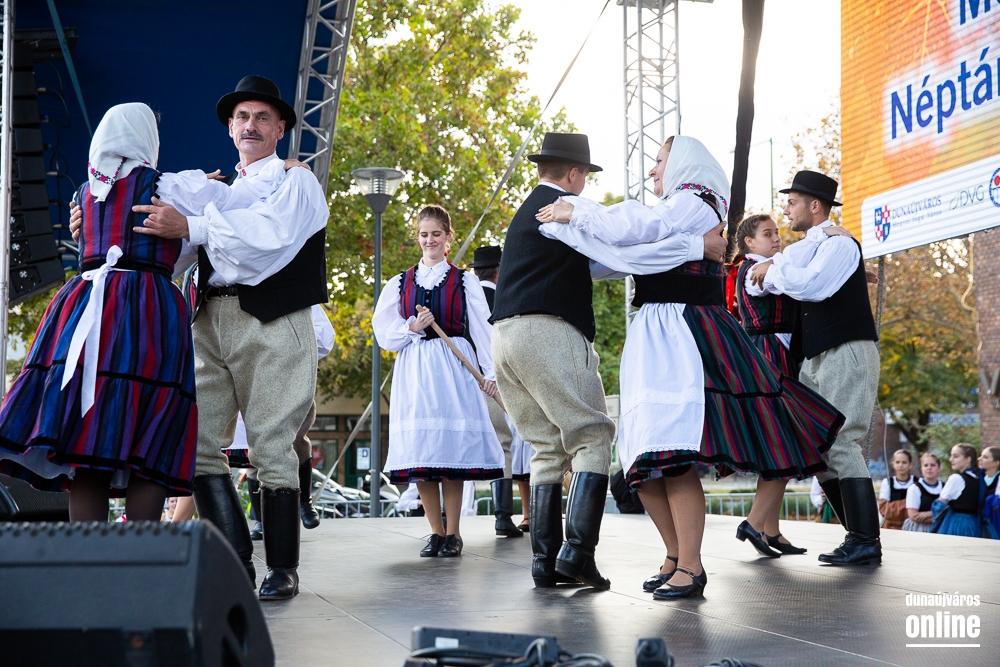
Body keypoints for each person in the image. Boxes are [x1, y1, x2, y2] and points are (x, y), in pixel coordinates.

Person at [536, 136, 842, 600]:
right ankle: (675, 555)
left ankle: (691, 566)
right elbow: (632, 253)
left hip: (681, 331)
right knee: (641, 461)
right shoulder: (679, 216)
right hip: (654, 330)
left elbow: (639, 229)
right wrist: (576, 232)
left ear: (684, 163)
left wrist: (578, 213)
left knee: (671, 455)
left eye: (660, 160)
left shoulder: (695, 200)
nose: (653, 170)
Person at [0, 102, 294, 522]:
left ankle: (86, 553)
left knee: (89, 439)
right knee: (152, 428)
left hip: (85, 306)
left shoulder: (85, 194)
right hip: (145, 309)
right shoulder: (171, 186)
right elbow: (240, 201)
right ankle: (143, 551)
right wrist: (281, 170)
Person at [112, 76, 330, 600]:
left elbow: (268, 238)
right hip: (209, 320)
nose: (250, 125)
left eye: (262, 117)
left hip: (274, 320)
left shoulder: (296, 181)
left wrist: (192, 226)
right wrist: (99, 223)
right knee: (196, 448)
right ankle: (237, 565)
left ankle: (283, 568)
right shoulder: (220, 192)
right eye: (242, 117)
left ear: (280, 128)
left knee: (271, 447)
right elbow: (168, 245)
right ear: (231, 129)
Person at [491, 132, 722, 591]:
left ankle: (545, 562)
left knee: (546, 448)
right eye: (585, 178)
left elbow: (608, 260)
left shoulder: (530, 210)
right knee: (593, 435)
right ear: (574, 173)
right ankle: (577, 555)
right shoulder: (564, 209)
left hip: (505, 336)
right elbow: (623, 240)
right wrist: (697, 248)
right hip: (548, 329)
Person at [749, 170, 882, 566]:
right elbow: (759, 283)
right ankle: (856, 536)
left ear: (815, 205)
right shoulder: (809, 247)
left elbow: (811, 287)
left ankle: (865, 540)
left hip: (846, 349)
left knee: (840, 439)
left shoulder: (840, 245)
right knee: (818, 445)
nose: (786, 209)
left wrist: (774, 268)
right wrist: (773, 268)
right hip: (817, 354)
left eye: (792, 202)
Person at [372, 205, 505, 558]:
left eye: (435, 234)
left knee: (451, 453)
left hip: (454, 370)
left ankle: (454, 532)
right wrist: (411, 327)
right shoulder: (399, 283)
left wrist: (490, 373)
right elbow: (384, 333)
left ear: (448, 237)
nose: (429, 240)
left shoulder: (465, 281)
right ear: (417, 238)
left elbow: (484, 329)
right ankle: (435, 531)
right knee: (423, 453)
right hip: (415, 371)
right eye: (423, 234)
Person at [731, 213, 809, 556]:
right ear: (749, 242)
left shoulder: (769, 266)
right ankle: (753, 523)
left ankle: (770, 529)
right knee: (784, 442)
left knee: (781, 444)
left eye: (777, 232)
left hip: (774, 353)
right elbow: (787, 279)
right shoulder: (755, 272)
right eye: (768, 234)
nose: (777, 238)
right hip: (768, 356)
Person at [470, 245, 522, 538]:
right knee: (502, 444)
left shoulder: (462, 295)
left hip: (459, 378)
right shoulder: (503, 299)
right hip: (490, 380)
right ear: (499, 272)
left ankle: (446, 525)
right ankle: (503, 517)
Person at [931, 444, 998, 538]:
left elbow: (939, 506)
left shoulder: (956, 478)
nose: (951, 459)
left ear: (967, 459)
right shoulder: (980, 480)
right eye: (951, 456)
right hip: (974, 525)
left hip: (956, 524)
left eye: (956, 456)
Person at [902, 453, 942, 532]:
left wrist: (928, 514)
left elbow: (949, 512)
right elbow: (913, 516)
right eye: (926, 465)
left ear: (939, 468)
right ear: (921, 469)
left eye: (932, 465)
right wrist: (939, 517)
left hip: (941, 529)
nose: (929, 468)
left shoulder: (945, 488)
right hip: (919, 529)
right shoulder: (914, 488)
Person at [878, 450, 915, 530]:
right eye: (897, 462)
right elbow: (884, 510)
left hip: (912, 528)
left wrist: (894, 508)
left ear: (910, 464)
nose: (900, 465)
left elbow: (921, 510)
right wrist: (909, 504)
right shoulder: (887, 482)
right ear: (893, 464)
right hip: (890, 528)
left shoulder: (917, 482)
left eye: (904, 462)